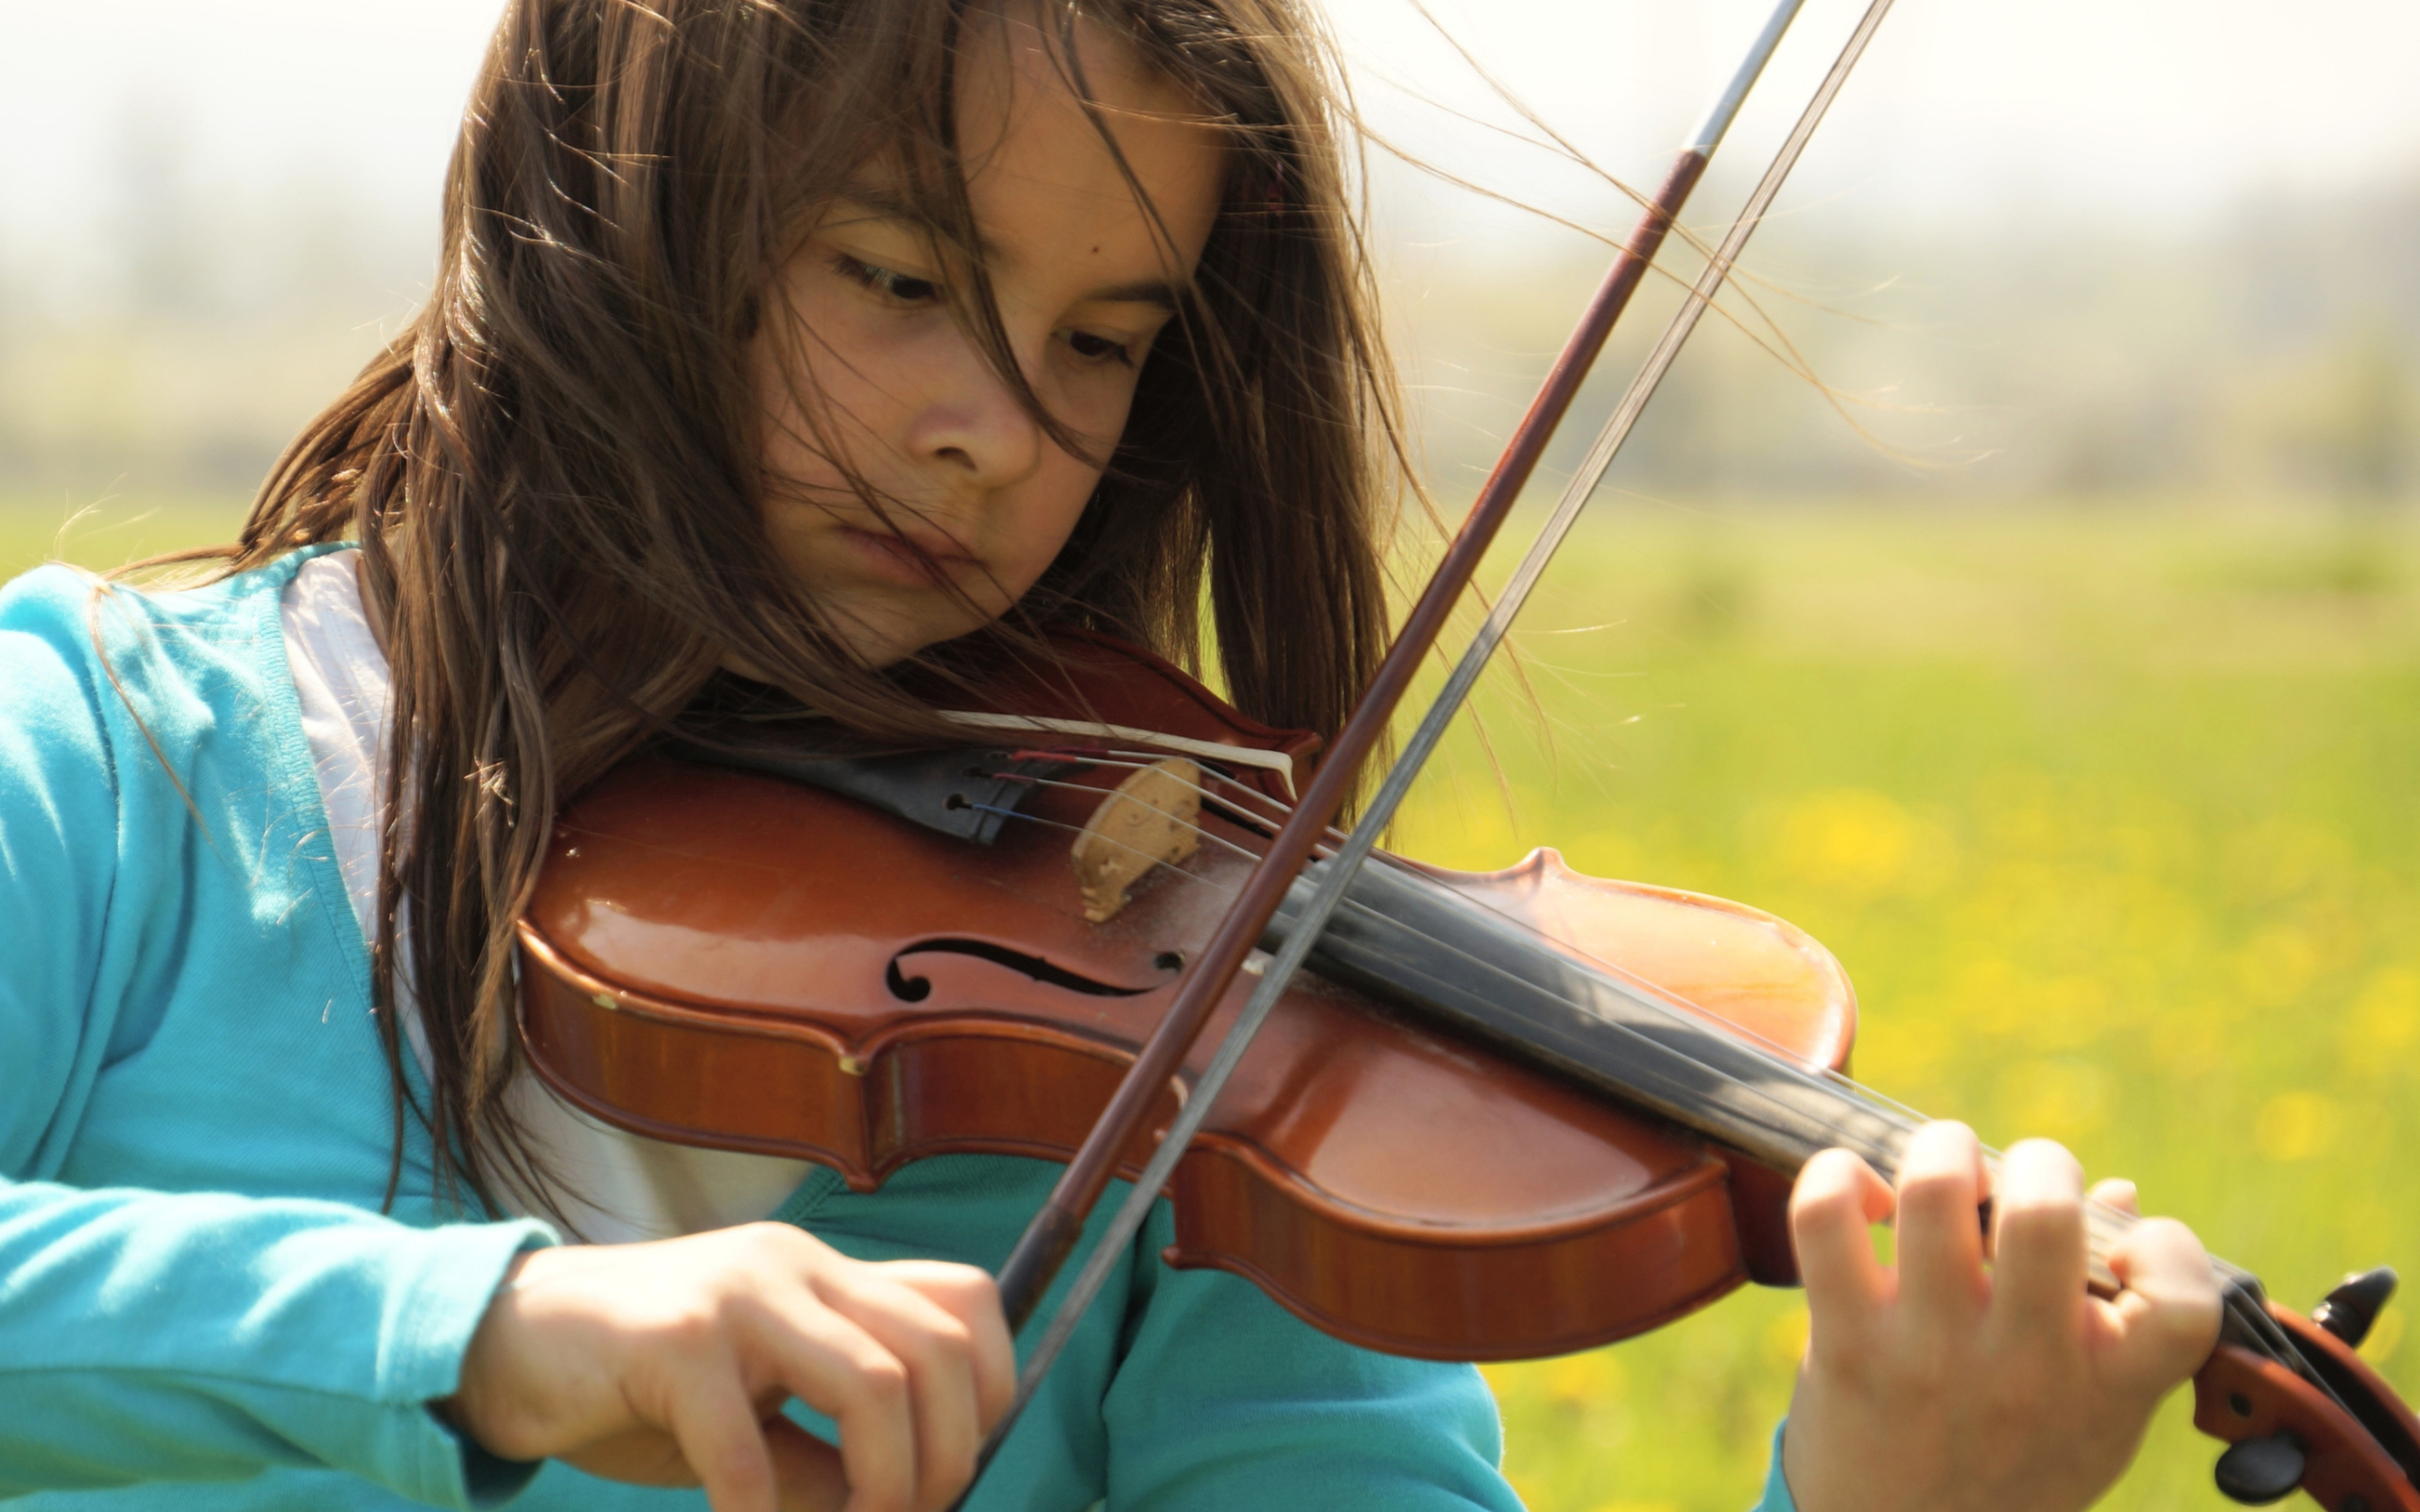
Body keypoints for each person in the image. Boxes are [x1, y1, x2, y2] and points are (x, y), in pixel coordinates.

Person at [0, 0, 2223, 1509]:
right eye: (893, 275)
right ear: (619, 199)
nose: (999, 432)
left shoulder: (1208, 1025)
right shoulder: (101, 774)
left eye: (1097, 339)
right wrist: (489, 1332)